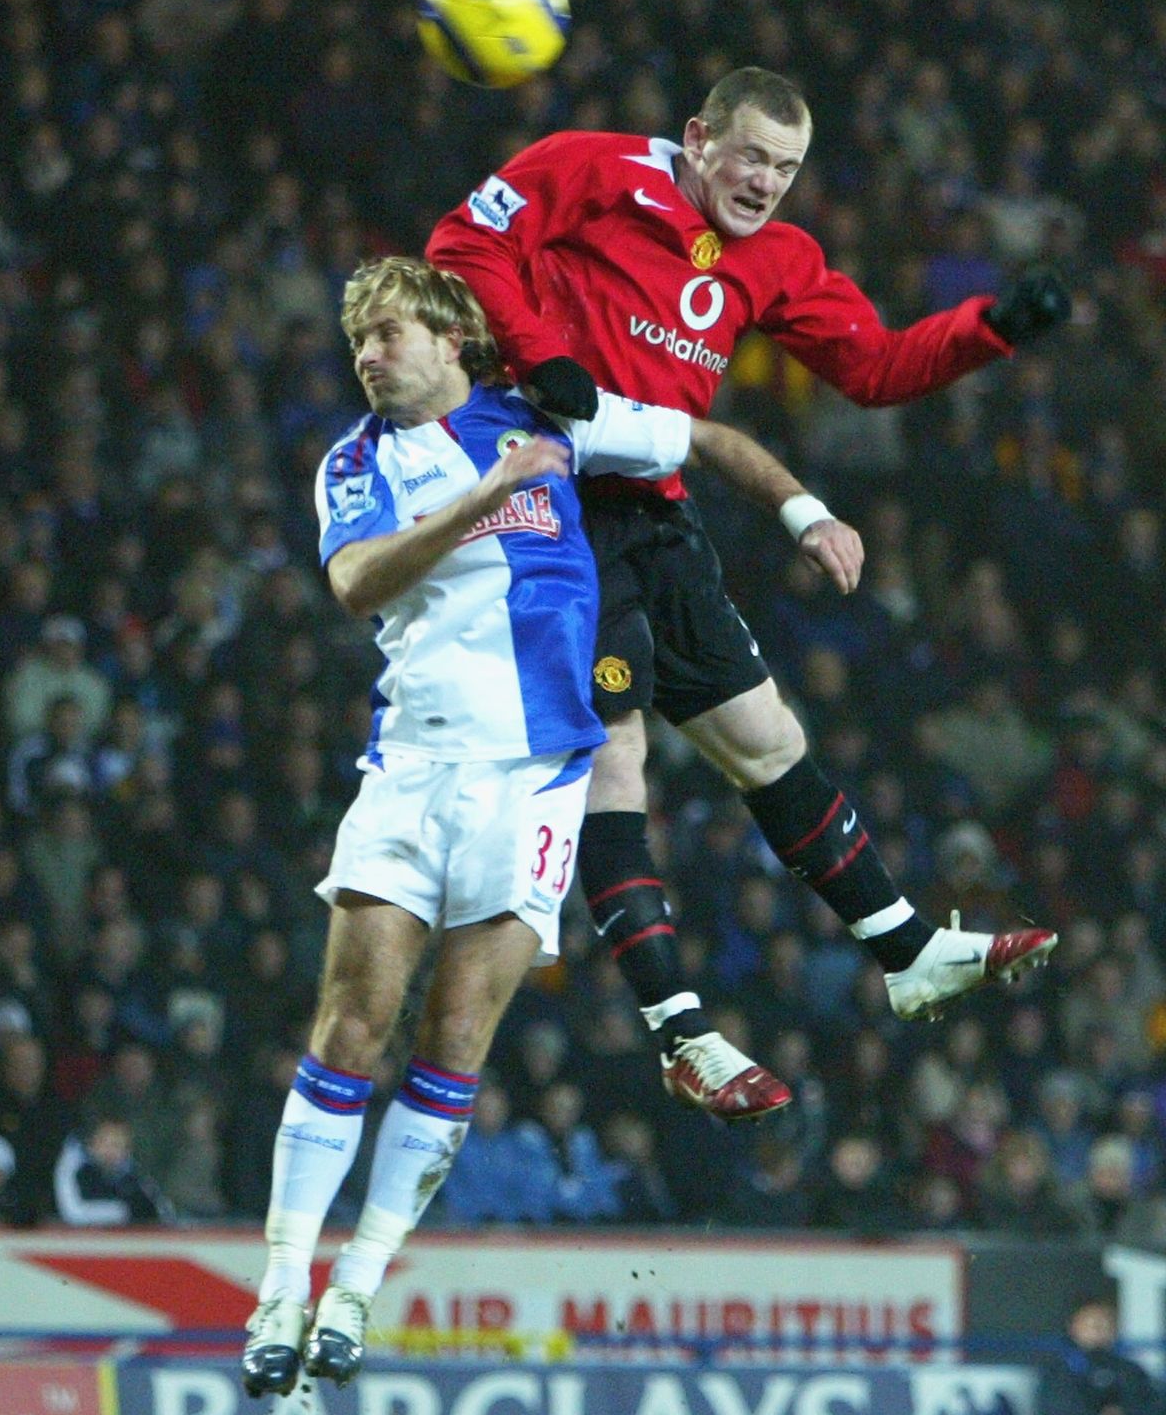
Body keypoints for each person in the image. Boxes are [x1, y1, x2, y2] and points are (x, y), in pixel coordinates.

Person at [241, 255, 863, 1398]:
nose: (369, 357)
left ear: (450, 339)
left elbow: (700, 436)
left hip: (535, 784)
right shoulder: (359, 462)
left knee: (456, 1044)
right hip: (416, 768)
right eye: (358, 343)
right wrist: (483, 500)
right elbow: (357, 582)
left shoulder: (548, 421)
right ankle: (281, 1283)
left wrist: (802, 507)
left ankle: (355, 1289)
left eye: (387, 335)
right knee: (348, 1029)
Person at [428, 65, 1065, 1117]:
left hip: (656, 510)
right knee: (616, 749)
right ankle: (680, 1031)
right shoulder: (591, 168)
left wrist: (992, 326)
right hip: (552, 504)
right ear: (697, 137)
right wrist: (540, 356)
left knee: (767, 739)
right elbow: (462, 243)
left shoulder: (777, 257)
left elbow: (877, 367)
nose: (766, 181)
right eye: (751, 156)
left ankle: (908, 951)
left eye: (786, 166)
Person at [1038, 1296, 1166, 1415]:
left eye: (1106, 1324)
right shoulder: (1058, 1371)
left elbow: (1151, 1411)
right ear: (1073, 1327)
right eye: (1092, 1324)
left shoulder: (1130, 1370)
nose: (1099, 1330)